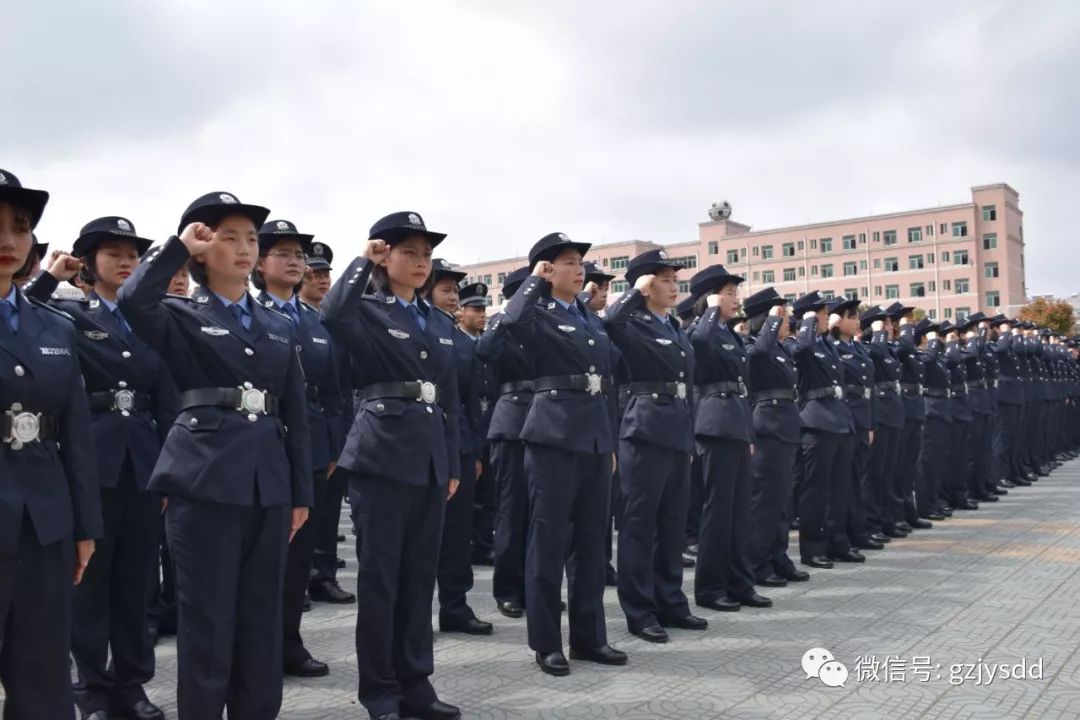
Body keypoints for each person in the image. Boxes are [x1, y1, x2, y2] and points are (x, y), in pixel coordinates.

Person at [117, 191, 313, 719]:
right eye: (229, 237)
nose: (245, 248)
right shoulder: (179, 313)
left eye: (251, 238)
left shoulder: (279, 323)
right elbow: (133, 301)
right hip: (203, 481)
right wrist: (176, 249)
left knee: (261, 619)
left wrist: (300, 493)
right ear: (202, 250)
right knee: (206, 620)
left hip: (268, 485)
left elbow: (294, 411)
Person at [24, 216, 175, 720]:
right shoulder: (69, 310)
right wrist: (50, 275)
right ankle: (91, 687)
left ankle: (132, 685)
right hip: (94, 458)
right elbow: (26, 317)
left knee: (139, 583)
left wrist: (174, 465)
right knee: (91, 582)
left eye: (133, 253)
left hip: (146, 461)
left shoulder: (153, 316)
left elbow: (169, 394)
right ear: (89, 262)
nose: (126, 261)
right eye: (113, 253)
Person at [321, 212, 462, 720]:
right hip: (381, 457)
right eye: (409, 253)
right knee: (381, 581)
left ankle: (416, 683)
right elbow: (333, 316)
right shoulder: (368, 310)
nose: (421, 263)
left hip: (427, 461)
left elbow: (449, 398)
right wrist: (362, 261)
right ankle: (380, 691)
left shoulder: (438, 321)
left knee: (419, 579)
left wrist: (449, 461)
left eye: (426, 255)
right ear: (386, 257)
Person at [497, 232, 625, 677]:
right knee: (548, 542)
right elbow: (509, 325)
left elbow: (607, 383)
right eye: (568, 262)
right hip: (552, 436)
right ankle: (547, 642)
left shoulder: (591, 320)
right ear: (548, 269)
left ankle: (590, 638)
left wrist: (608, 441)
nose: (579, 269)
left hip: (592, 439)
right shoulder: (537, 311)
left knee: (591, 543)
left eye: (580, 262)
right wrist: (533, 281)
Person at [0, 169, 102, 720]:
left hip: (44, 521)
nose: (8, 241)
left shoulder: (55, 326)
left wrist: (84, 525)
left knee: (42, 677)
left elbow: (77, 435)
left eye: (19, 227)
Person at [252, 218, 353, 679]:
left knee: (297, 560)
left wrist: (332, 446)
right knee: (259, 559)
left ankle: (289, 644)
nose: (296, 262)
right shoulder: (245, 313)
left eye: (300, 256)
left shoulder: (317, 323)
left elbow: (335, 391)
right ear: (259, 263)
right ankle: (255, 647)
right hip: (260, 448)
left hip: (310, 451)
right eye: (284, 254)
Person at [606, 250, 706, 643]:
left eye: (673, 278)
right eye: (663, 279)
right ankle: (640, 609)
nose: (673, 284)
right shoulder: (634, 322)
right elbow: (611, 321)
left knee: (672, 524)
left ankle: (671, 600)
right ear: (646, 284)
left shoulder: (675, 326)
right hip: (645, 428)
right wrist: (634, 292)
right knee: (639, 524)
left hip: (677, 428)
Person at [688, 264, 771, 611]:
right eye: (730, 292)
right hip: (715, 426)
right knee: (718, 512)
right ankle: (710, 587)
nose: (736, 299)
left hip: (736, 424)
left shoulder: (731, 335)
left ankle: (740, 581)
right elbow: (700, 342)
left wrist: (748, 432)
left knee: (739, 513)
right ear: (711, 296)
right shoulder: (702, 330)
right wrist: (709, 308)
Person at [427, 260, 493, 636]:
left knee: (457, 532)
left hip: (461, 446)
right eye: (446, 289)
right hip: (420, 443)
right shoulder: (415, 327)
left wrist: (476, 451)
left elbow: (469, 400)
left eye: (455, 290)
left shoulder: (458, 338)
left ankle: (455, 605)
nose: (453, 296)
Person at [476, 266, 534, 619]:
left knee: (541, 515)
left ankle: (532, 585)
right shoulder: (502, 325)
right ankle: (508, 588)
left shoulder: (546, 326)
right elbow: (485, 349)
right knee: (512, 513)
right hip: (512, 423)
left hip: (547, 424)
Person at [743, 288, 808, 586]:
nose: (787, 323)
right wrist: (771, 320)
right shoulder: (753, 345)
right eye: (781, 317)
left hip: (785, 425)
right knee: (765, 501)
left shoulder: (781, 349)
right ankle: (758, 563)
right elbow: (759, 354)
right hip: (767, 426)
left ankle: (778, 556)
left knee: (781, 501)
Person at [791, 291, 856, 568]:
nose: (826, 316)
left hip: (838, 419)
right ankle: (812, 548)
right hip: (816, 421)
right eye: (821, 312)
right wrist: (807, 322)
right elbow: (802, 351)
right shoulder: (803, 343)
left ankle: (836, 541)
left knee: (838, 489)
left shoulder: (826, 343)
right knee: (816, 490)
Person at [829, 298, 875, 560]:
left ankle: (857, 531)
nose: (857, 320)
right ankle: (842, 536)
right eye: (850, 315)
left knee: (857, 480)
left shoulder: (857, 349)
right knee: (843, 484)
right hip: (845, 418)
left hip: (861, 418)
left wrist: (870, 424)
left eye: (857, 315)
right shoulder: (832, 347)